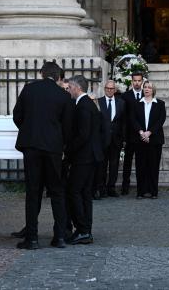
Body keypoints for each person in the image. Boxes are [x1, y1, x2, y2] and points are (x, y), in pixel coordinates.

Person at [12, 62, 73, 249]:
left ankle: (32, 238)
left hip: (31, 146)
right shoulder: (63, 95)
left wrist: (29, 130)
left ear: (41, 73)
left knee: (33, 191)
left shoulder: (29, 90)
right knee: (56, 191)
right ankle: (60, 237)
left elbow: (17, 115)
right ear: (58, 76)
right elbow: (68, 126)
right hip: (53, 148)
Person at [65, 75, 103, 244]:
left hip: (84, 157)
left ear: (77, 88)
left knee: (74, 192)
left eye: (69, 87)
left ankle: (82, 229)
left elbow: (83, 135)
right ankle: (86, 230)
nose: (68, 90)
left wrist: (68, 151)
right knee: (85, 193)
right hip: (90, 156)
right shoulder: (88, 104)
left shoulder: (83, 106)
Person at [130, 80, 166, 199]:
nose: (146, 89)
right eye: (145, 87)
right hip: (140, 139)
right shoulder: (136, 104)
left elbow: (160, 120)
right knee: (140, 166)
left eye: (149, 87)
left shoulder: (160, 104)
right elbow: (133, 119)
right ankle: (140, 192)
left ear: (153, 90)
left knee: (153, 166)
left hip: (155, 140)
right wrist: (141, 132)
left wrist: (149, 133)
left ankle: (153, 192)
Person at [95, 80, 126, 198]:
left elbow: (123, 123)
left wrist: (123, 139)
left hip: (116, 140)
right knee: (101, 166)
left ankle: (111, 188)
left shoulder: (121, 103)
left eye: (111, 88)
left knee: (114, 165)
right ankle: (101, 188)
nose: (109, 90)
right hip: (102, 139)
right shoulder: (99, 102)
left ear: (115, 90)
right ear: (104, 89)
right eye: (107, 88)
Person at [120, 72, 145, 195]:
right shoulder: (125, 96)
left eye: (139, 80)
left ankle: (142, 186)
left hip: (142, 135)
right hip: (130, 135)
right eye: (134, 80)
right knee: (127, 163)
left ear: (142, 81)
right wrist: (124, 136)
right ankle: (125, 186)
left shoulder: (146, 95)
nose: (137, 83)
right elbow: (123, 118)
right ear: (131, 81)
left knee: (142, 162)